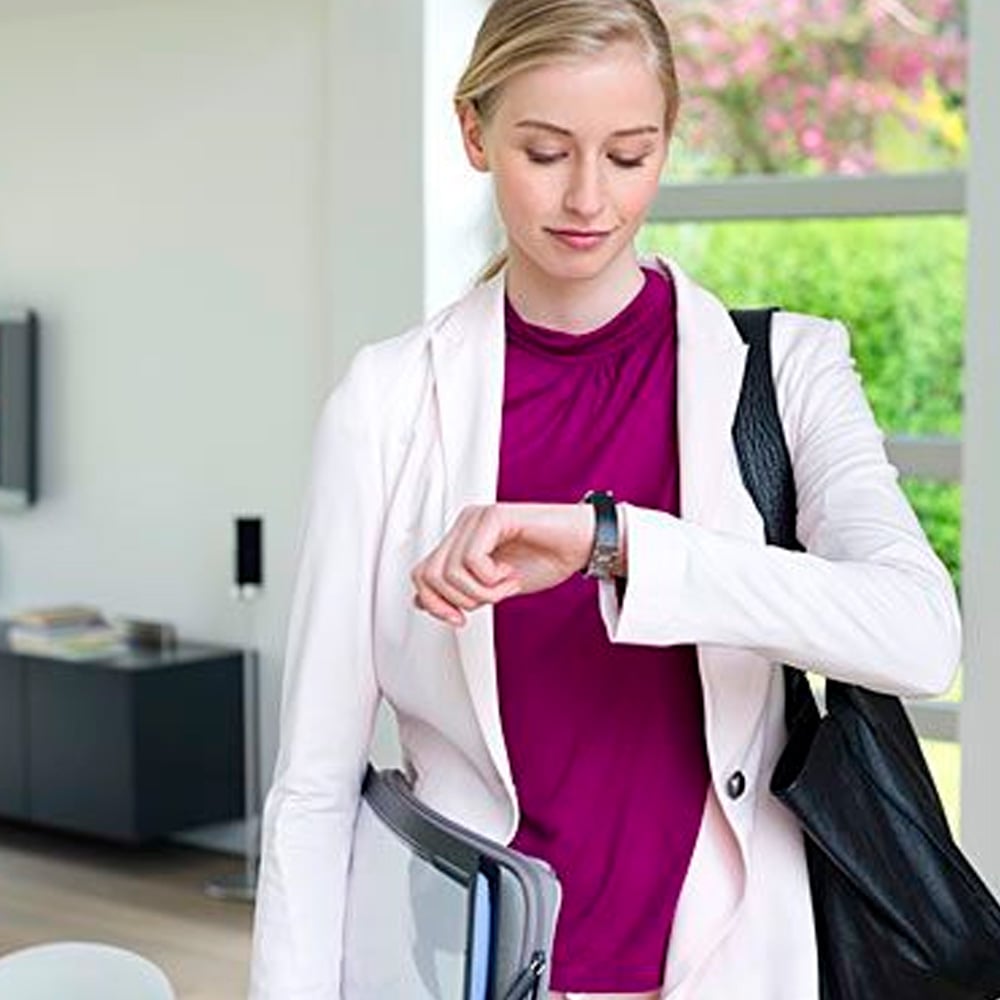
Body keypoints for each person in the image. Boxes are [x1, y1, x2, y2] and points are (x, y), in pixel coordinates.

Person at [248, 1, 962, 997]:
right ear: (473, 133)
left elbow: (921, 637)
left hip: (739, 962)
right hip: (482, 961)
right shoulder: (387, 403)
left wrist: (618, 544)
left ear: (668, 140)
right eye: (545, 151)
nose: (588, 197)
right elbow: (314, 785)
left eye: (628, 155)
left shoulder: (787, 370)